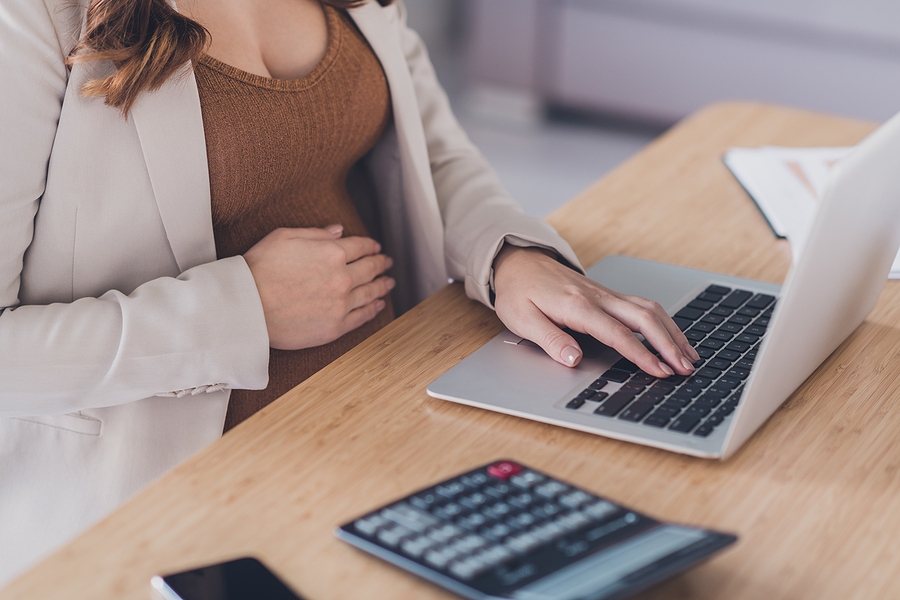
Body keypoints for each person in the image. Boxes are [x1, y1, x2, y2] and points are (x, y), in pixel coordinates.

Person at [0, 0, 698, 583]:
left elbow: (436, 147)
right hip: (201, 498)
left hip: (398, 416)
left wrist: (510, 256)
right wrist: (240, 312)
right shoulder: (30, 18)